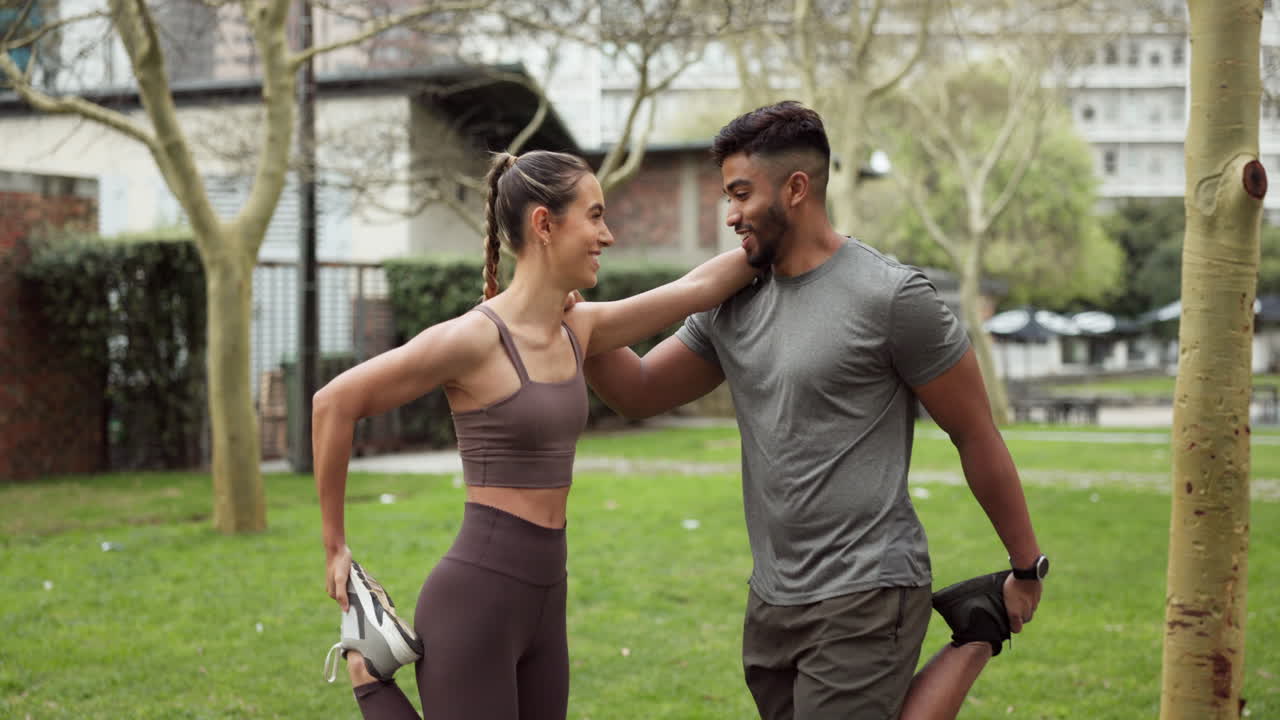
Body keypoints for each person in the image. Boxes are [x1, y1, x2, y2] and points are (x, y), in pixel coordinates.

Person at [582, 101, 1048, 720]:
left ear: (797, 188)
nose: (731, 215)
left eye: (741, 194)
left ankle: (980, 633)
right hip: (773, 595)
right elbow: (636, 390)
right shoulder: (733, 301)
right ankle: (979, 627)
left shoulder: (891, 297)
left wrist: (1026, 566)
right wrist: (569, 306)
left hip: (868, 584)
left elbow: (974, 432)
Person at [314, 149, 757, 720]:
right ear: (544, 224)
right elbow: (333, 403)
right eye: (595, 216)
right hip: (476, 598)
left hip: (548, 596)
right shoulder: (473, 340)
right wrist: (335, 547)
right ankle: (368, 677)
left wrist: (781, 238)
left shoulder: (580, 329)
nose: (609, 234)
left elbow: (696, 288)